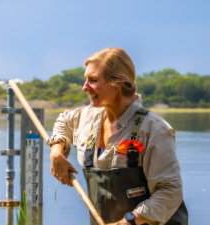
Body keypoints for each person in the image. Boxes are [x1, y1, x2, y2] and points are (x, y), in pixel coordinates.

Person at [47, 47, 188, 225]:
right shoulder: (87, 117)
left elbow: (170, 192)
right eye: (86, 80)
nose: (84, 88)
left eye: (93, 80)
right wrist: (57, 152)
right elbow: (64, 122)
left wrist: (128, 222)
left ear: (118, 83)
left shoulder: (155, 129)